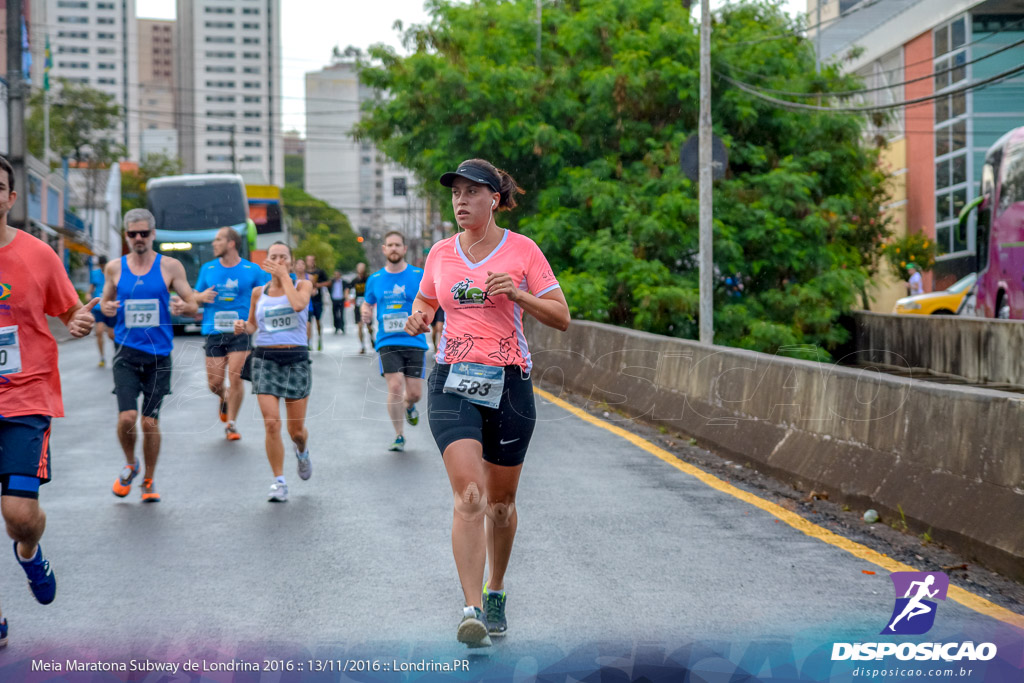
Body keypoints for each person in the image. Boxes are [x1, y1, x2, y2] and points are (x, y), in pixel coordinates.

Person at [405, 158, 569, 648]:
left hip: (510, 383)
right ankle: (471, 608)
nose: (460, 201)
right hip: (453, 380)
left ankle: (496, 589)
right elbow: (426, 302)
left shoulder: (523, 250)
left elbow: (562, 316)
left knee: (500, 504)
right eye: (455, 193)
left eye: (472, 192)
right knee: (470, 496)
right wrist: (417, 318)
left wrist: (518, 294)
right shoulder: (439, 253)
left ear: (494, 199)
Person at [0, 154, 99, 645]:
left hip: (26, 397)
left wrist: (80, 322)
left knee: (17, 515)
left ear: (11, 198)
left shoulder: (39, 255)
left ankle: (29, 550)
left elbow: (73, 312)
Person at [101, 208, 199, 503]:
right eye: (133, 234)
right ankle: (131, 462)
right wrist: (105, 309)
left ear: (153, 234)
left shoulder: (170, 266)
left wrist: (185, 306)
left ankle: (149, 480)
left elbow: (192, 302)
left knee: (149, 422)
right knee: (127, 417)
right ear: (126, 236)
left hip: (159, 355)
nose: (139, 238)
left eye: (144, 233)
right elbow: (105, 304)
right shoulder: (114, 268)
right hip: (126, 352)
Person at [235, 241, 313, 502]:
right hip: (265, 358)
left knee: (296, 431)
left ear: (291, 261)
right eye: (274, 256)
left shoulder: (303, 285)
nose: (279, 260)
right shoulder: (259, 292)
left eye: (283, 257)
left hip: (296, 359)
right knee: (271, 423)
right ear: (266, 261)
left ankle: (301, 451)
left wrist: (284, 278)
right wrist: (241, 326)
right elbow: (252, 326)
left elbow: (299, 305)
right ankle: (279, 481)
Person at [194, 227, 270, 441]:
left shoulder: (252, 269)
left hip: (241, 331)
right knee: (214, 383)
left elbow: (267, 295)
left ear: (231, 243)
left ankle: (231, 424)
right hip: (214, 330)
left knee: (235, 377)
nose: (213, 244)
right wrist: (200, 297)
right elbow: (193, 295)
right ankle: (224, 396)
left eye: (218, 240)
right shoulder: (208, 269)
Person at [361, 231, 428, 452]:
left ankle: (409, 406)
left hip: (414, 339)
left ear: (404, 249)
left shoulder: (419, 275)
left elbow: (431, 300)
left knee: (415, 393)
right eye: (389, 245)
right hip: (387, 340)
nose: (393, 249)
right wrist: (365, 313)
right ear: (384, 249)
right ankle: (399, 434)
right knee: (395, 385)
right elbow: (367, 302)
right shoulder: (375, 279)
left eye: (398, 245)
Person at [89, 255, 116, 367]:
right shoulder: (94, 273)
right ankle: (102, 357)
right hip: (98, 308)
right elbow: (91, 288)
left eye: (104, 265)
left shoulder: (112, 273)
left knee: (111, 335)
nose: (102, 267)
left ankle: (118, 354)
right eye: (101, 265)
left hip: (110, 307)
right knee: (99, 331)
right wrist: (87, 294)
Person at [305, 254, 329, 351]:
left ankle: (319, 338)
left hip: (318, 300)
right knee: (308, 323)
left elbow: (328, 282)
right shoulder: (304, 273)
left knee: (318, 321)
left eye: (312, 260)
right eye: (308, 260)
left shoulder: (320, 272)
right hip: (308, 301)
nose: (310, 262)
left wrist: (317, 286)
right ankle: (309, 342)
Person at [349, 262, 374, 354]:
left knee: (369, 326)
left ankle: (372, 338)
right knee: (359, 326)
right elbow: (349, 289)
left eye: (362, 268)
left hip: (367, 304)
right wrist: (348, 296)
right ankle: (362, 346)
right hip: (358, 305)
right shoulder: (355, 280)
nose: (361, 270)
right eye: (359, 268)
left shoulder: (368, 279)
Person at [329, 269, 347, 335]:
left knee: (341, 314)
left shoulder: (343, 282)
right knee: (335, 314)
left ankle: (342, 327)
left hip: (341, 299)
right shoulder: (332, 282)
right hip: (334, 299)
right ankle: (336, 327)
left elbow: (346, 289)